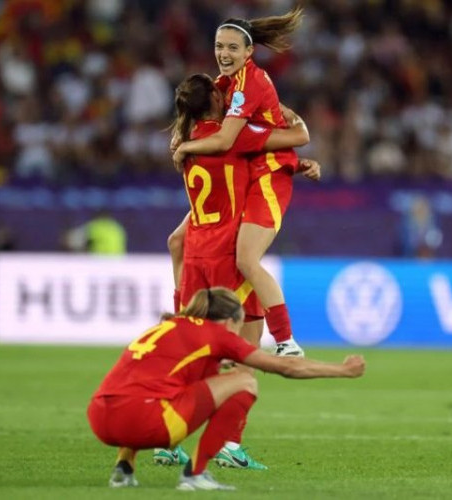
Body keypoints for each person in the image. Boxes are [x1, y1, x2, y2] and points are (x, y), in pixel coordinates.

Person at [154, 72, 316, 470]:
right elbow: (271, 156)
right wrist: (295, 154)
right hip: (229, 255)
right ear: (214, 96)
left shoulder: (189, 143)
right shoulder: (232, 138)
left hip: (198, 254)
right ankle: (229, 444)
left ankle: (166, 438)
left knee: (194, 356)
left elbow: (188, 224)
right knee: (243, 358)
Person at [87, 287, 366, 491]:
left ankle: (124, 468)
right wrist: (343, 370)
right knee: (245, 381)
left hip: (100, 420)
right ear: (229, 320)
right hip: (145, 423)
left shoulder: (167, 327)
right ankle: (195, 474)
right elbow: (285, 366)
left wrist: (212, 368)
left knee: (143, 389)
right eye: (239, 325)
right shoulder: (217, 334)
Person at [171, 7, 308, 357]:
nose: (224, 54)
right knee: (179, 241)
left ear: (249, 52)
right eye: (219, 46)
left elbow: (227, 140)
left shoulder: (248, 84)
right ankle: (186, 326)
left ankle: (286, 341)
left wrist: (185, 145)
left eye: (232, 48)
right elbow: (198, 101)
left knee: (246, 259)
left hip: (269, 174)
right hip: (249, 167)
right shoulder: (226, 82)